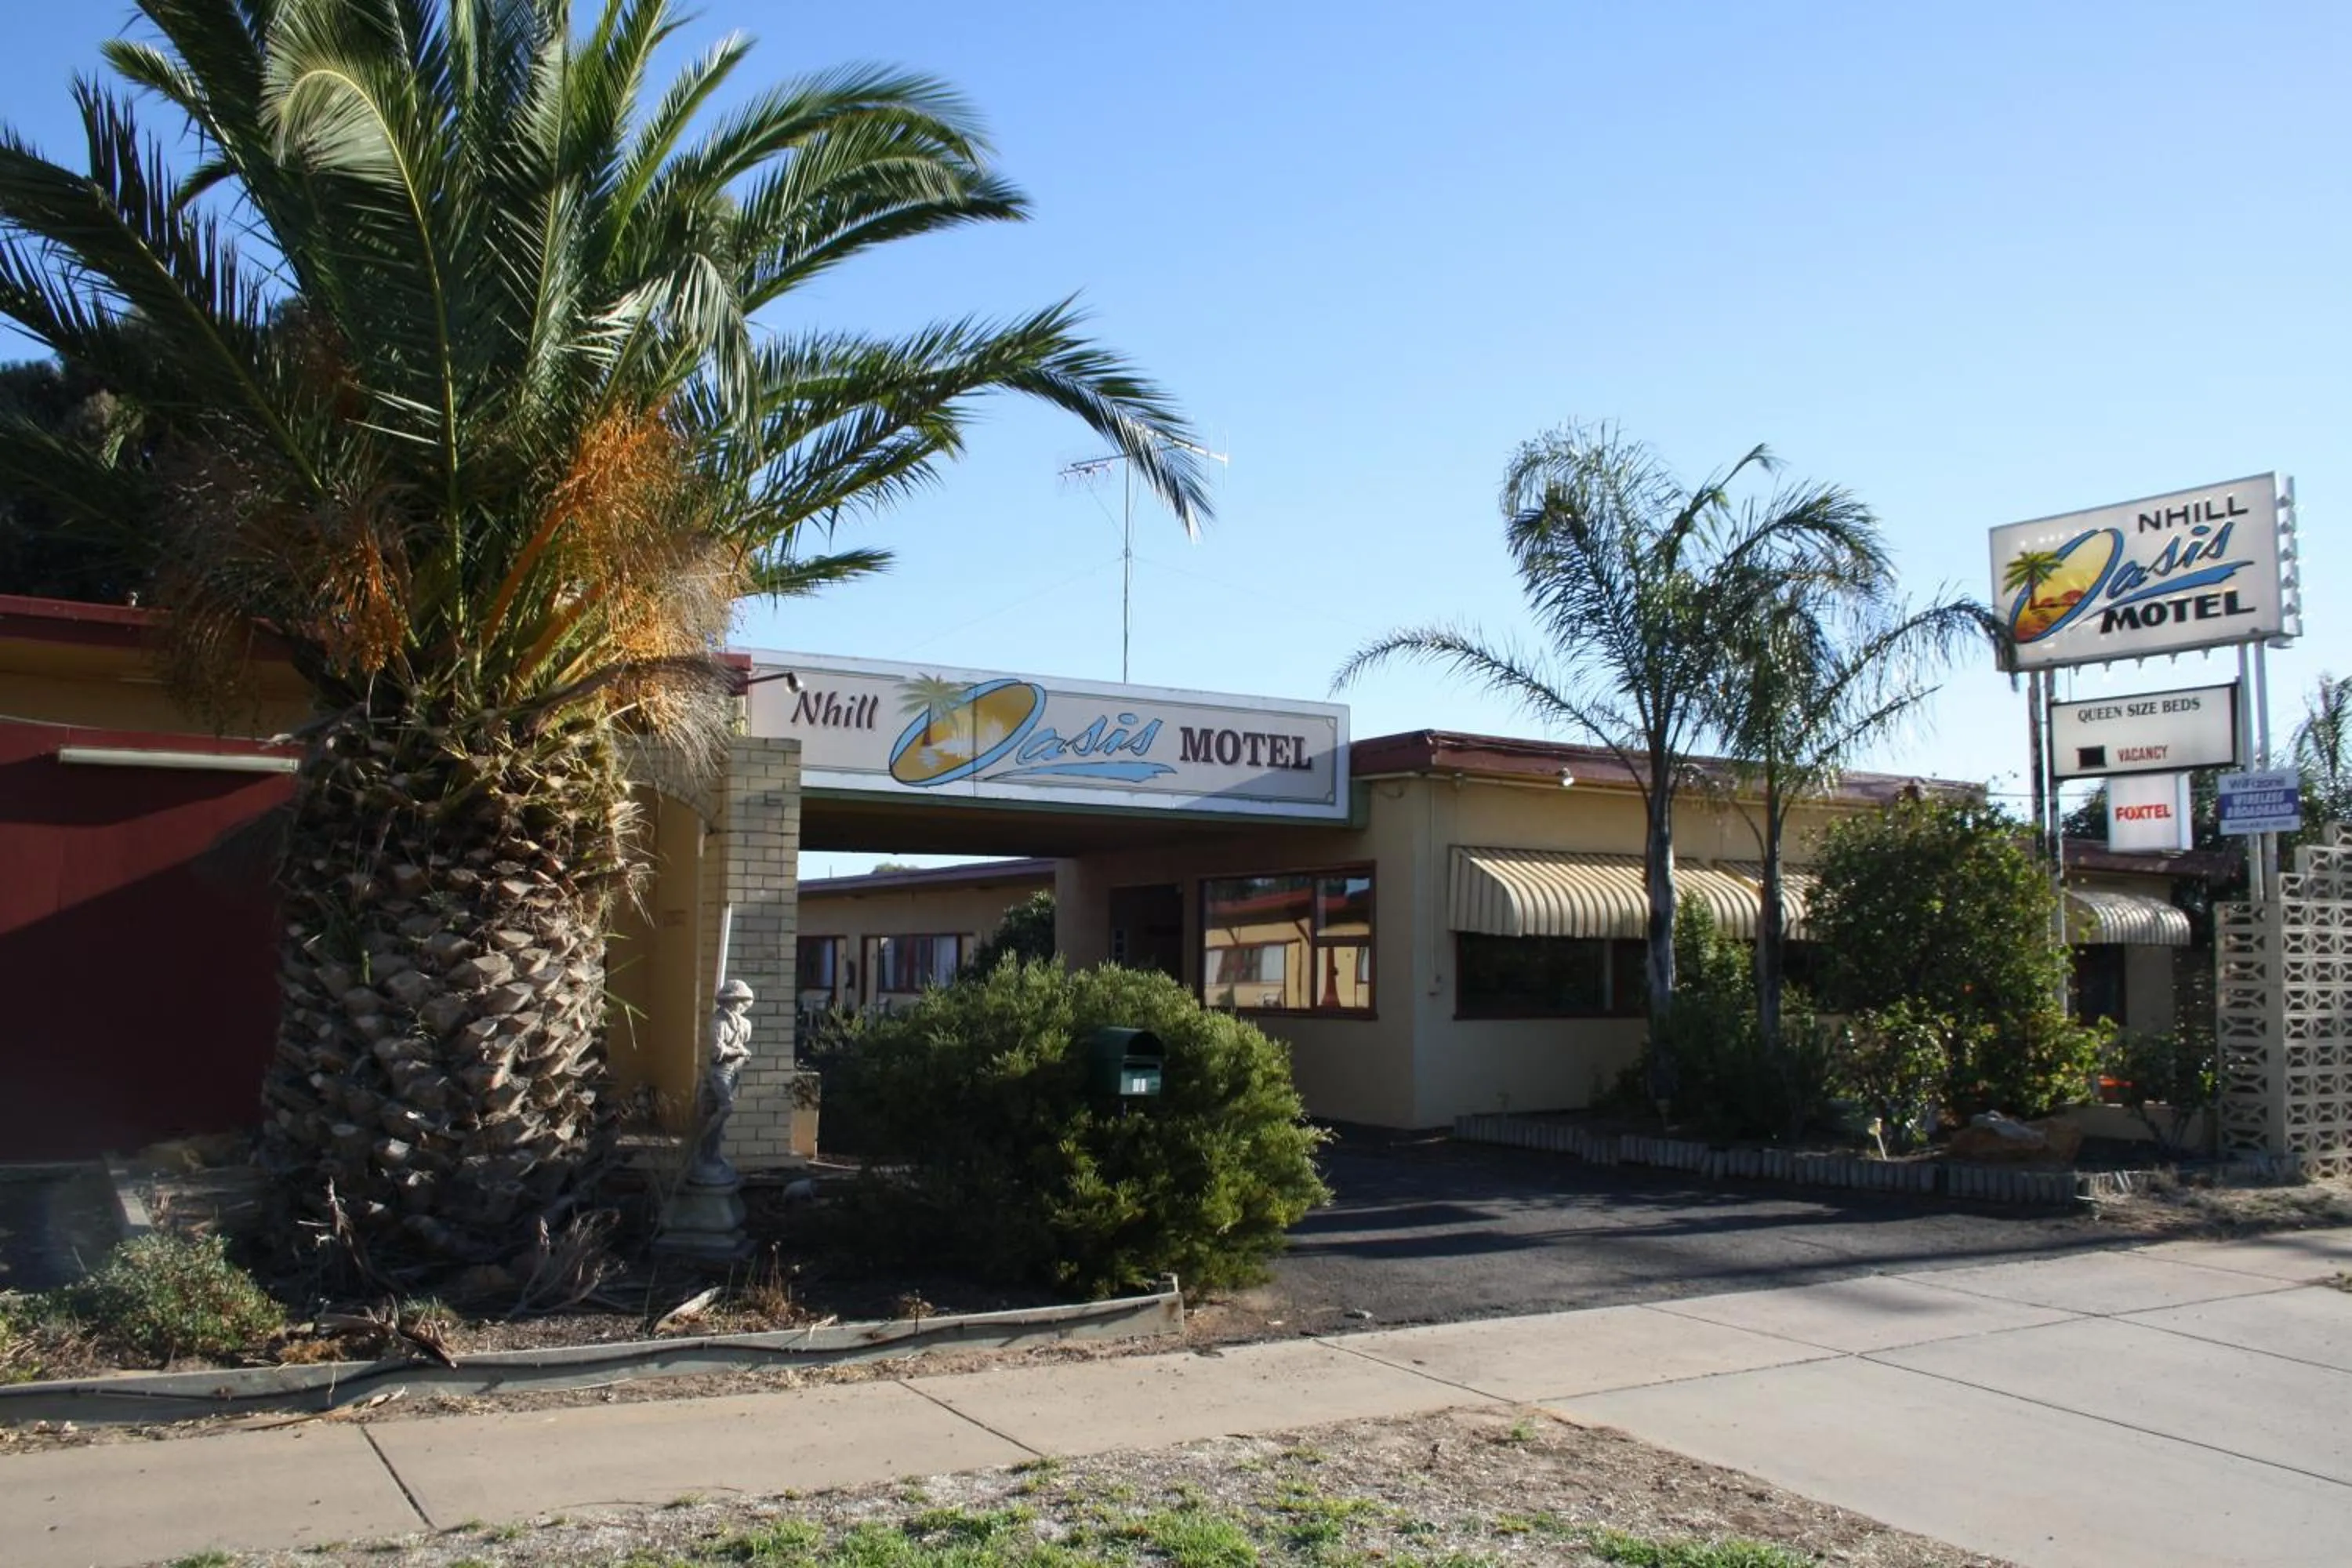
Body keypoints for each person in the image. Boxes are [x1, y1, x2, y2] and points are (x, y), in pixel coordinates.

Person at [690, 979, 755, 1184]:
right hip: (718, 1072)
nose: (740, 1006)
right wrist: (740, 1051)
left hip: (734, 1071)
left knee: (718, 1114)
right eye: (736, 1001)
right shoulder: (717, 1022)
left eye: (743, 1002)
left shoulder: (745, 1024)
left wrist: (743, 1055)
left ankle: (713, 1152)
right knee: (725, 1108)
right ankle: (699, 1145)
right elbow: (718, 1053)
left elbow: (742, 1047)